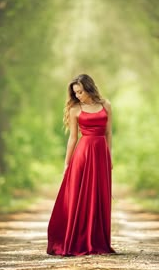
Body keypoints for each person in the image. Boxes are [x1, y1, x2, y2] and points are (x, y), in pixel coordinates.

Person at [47, 74, 115, 256]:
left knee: (99, 196)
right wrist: (67, 163)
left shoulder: (105, 105)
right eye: (75, 92)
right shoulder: (75, 109)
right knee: (78, 198)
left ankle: (96, 240)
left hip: (101, 154)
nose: (77, 95)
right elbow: (72, 138)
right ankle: (78, 239)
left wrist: (110, 156)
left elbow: (108, 134)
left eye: (80, 92)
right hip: (83, 154)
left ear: (89, 88)